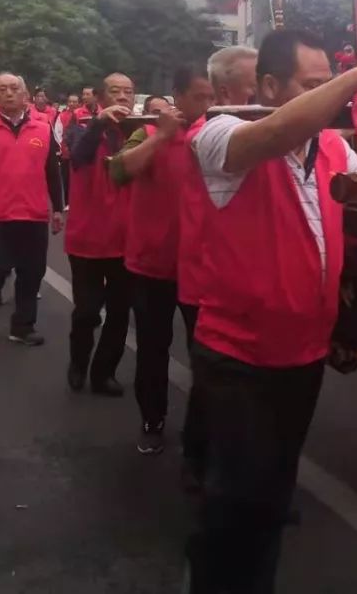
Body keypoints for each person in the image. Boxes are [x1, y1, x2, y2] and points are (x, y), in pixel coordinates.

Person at [186, 28, 357, 593]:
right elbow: (269, 136)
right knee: (236, 505)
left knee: (270, 490)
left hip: (302, 351)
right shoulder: (219, 134)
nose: (332, 98)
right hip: (240, 356)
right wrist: (356, 79)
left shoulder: (332, 149)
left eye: (330, 84)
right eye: (315, 86)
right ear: (268, 86)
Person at [110, 66, 215, 455]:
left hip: (201, 266)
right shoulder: (148, 132)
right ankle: (152, 419)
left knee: (205, 353)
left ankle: (201, 433)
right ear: (178, 96)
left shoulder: (215, 135)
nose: (206, 105)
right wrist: (165, 136)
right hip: (152, 264)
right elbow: (118, 171)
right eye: (199, 97)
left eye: (212, 97)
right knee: (153, 349)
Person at [175, 46, 259, 483]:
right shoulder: (206, 135)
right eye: (255, 83)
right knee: (214, 379)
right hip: (207, 277)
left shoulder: (261, 128)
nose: (266, 89)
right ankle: (197, 456)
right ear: (227, 91)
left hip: (248, 278)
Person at [0, 73, 64, 346]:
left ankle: (22, 326)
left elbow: (53, 172)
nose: (9, 93)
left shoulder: (43, 128)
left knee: (32, 273)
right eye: (2, 90)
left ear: (25, 93)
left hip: (33, 214)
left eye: (14, 88)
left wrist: (57, 208)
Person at [64, 72, 135, 396]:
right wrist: (99, 124)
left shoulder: (138, 131)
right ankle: (78, 361)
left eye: (128, 92)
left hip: (127, 243)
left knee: (120, 314)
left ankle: (103, 372)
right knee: (87, 311)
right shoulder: (79, 127)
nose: (123, 97)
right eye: (115, 92)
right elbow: (77, 157)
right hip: (87, 240)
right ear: (101, 98)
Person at [55, 94, 82, 205]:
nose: (72, 104)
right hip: (66, 153)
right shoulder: (62, 116)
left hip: (80, 153)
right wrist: (63, 146)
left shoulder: (83, 115)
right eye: (70, 101)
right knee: (66, 179)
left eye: (74, 102)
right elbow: (58, 133)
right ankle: (66, 202)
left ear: (79, 103)